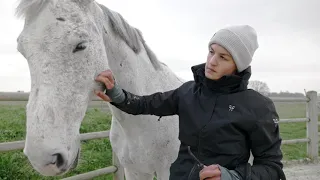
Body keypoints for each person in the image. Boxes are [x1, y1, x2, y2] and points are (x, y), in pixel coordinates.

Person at [94, 25, 286, 180]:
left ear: (238, 65)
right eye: (211, 52)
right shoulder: (188, 92)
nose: (211, 61)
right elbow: (145, 104)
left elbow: (272, 168)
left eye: (223, 57)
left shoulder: (258, 107)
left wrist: (233, 176)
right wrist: (118, 94)